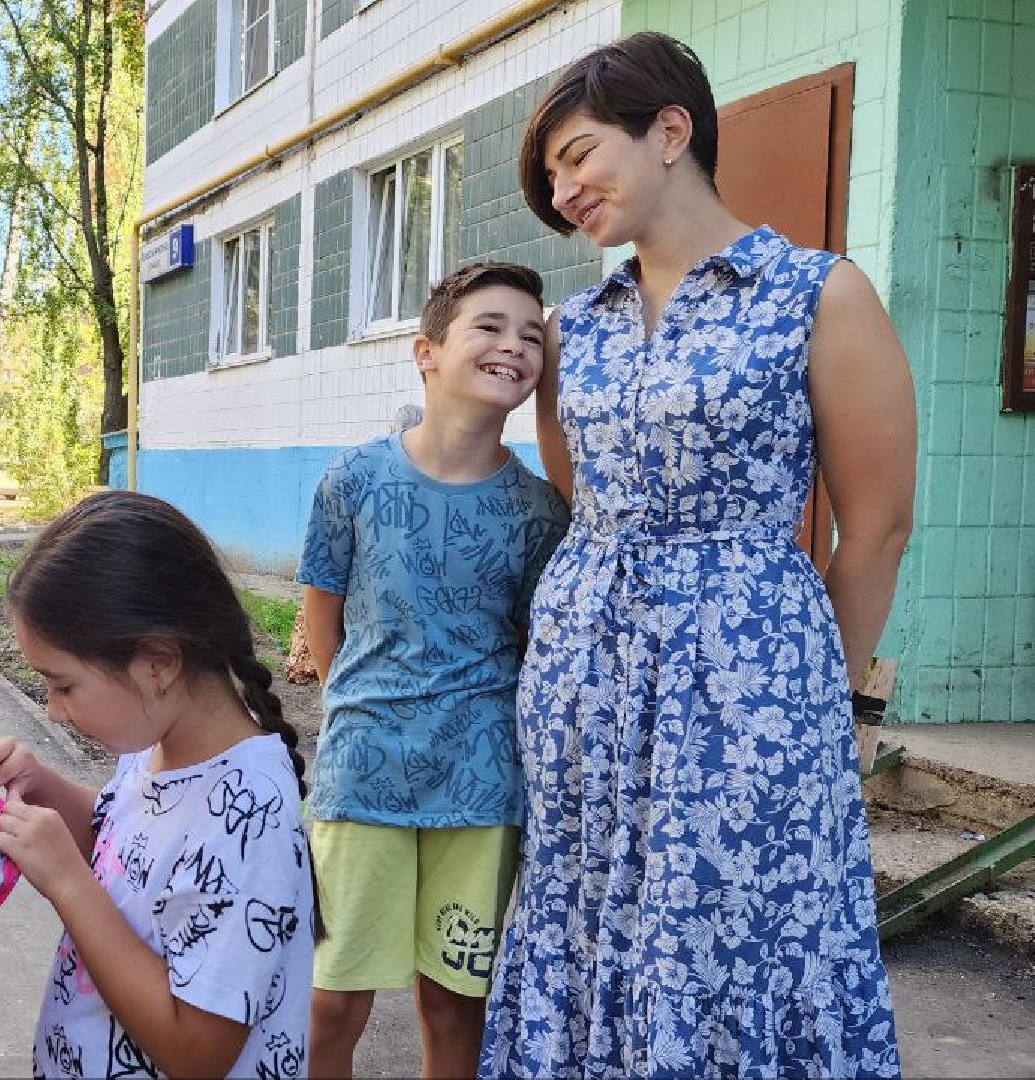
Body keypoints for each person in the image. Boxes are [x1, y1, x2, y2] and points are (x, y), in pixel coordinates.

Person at [482, 32, 912, 1079]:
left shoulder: (820, 295)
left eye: (579, 154)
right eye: (551, 175)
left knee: (738, 926)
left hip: (753, 690)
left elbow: (879, 524)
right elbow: (586, 501)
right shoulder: (573, 329)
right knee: (582, 907)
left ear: (670, 130)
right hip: (585, 680)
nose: (565, 186)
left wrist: (820, 699)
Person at [298, 263, 570, 1079]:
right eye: (489, 326)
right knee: (330, 997)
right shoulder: (354, 479)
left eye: (530, 336)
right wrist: (358, 709)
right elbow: (323, 617)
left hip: (482, 783)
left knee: (453, 1001)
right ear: (426, 351)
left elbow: (528, 640)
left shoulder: (537, 511)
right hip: (362, 771)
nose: (512, 346)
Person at [0, 491, 317, 1080]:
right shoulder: (161, 743)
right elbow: (127, 846)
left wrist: (68, 883)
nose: (52, 712)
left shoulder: (247, 816)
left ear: (158, 662)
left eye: (63, 685)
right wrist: (43, 786)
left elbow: (196, 1053)